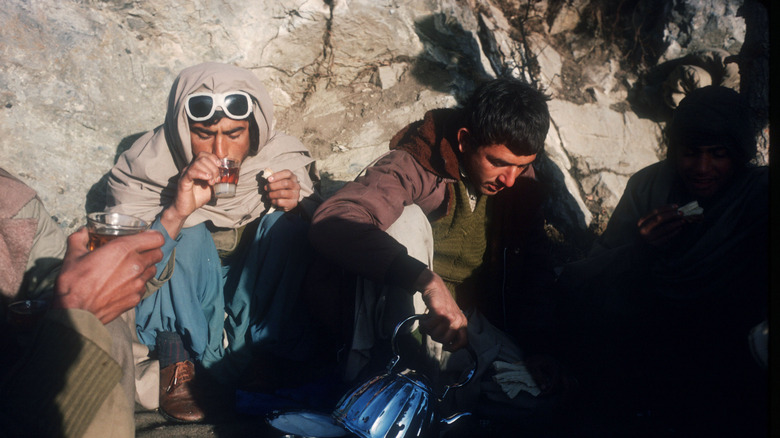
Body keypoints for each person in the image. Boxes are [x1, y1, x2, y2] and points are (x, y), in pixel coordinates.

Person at [307, 78, 561, 422]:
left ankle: (430, 394)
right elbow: (335, 220)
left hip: (470, 322)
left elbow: (536, 267)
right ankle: (393, 371)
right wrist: (426, 280)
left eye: (521, 165)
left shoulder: (520, 185)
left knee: (536, 395)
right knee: (405, 221)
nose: (510, 179)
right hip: (408, 315)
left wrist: (541, 344)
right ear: (465, 140)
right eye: (499, 162)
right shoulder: (416, 162)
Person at [105, 62, 320, 422]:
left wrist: (301, 205)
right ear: (181, 128)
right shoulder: (144, 167)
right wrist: (176, 211)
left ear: (255, 130)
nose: (221, 149)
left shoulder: (281, 158)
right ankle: (177, 360)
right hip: (181, 288)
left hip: (246, 285)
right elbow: (123, 269)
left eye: (234, 134)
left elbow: (326, 234)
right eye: (204, 134)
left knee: (288, 227)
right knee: (185, 230)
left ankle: (261, 356)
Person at [553, 85, 768, 436]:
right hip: (650, 342)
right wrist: (641, 248)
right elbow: (589, 276)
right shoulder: (650, 186)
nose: (701, 167)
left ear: (739, 154)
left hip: (730, 349)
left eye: (718, 154)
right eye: (690, 153)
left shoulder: (758, 195)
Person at [0, 167, 164, 437]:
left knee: (107, 321)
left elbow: (51, 267)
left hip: (24, 352)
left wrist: (76, 292)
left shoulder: (11, 198)